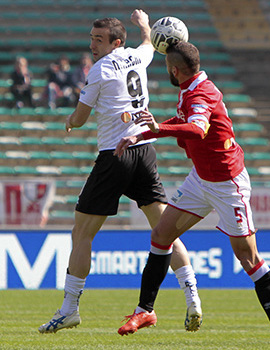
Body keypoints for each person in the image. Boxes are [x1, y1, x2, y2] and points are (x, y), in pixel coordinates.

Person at [114, 41, 270, 349]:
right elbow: (184, 123)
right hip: (201, 179)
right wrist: (144, 133)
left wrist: (159, 128)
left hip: (228, 184)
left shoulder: (201, 93)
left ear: (174, 70)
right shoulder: (192, 87)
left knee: (248, 257)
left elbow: (197, 128)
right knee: (161, 234)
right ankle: (145, 310)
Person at [38, 10, 202, 334]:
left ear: (115, 42)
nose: (92, 45)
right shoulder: (139, 57)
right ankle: (192, 299)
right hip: (144, 152)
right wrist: (145, 24)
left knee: (81, 232)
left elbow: (82, 117)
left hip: (115, 155)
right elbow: (146, 43)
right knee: (165, 229)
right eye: (91, 38)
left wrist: (70, 120)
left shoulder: (100, 70)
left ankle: (69, 308)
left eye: (98, 40)